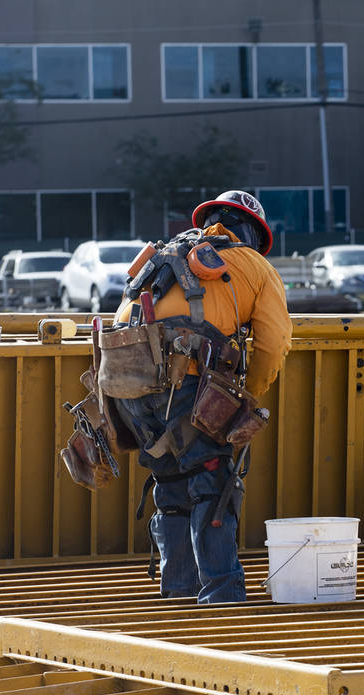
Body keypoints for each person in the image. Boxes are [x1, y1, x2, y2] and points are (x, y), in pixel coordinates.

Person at [109, 190, 292, 603]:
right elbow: (273, 344)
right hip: (185, 382)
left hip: (126, 386)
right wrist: (248, 395)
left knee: (171, 485)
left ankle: (178, 594)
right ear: (253, 233)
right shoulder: (256, 266)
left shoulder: (164, 256)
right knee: (212, 483)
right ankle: (222, 599)